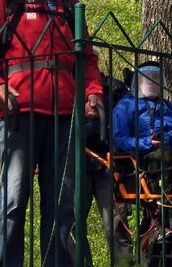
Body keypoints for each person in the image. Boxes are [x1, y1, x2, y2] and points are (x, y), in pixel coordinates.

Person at [0, 0, 103, 267]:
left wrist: (92, 93)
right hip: (19, 113)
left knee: (62, 204)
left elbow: (86, 57)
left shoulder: (70, 1)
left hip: (63, 116)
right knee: (13, 201)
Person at [112, 60, 172, 191]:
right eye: (148, 79)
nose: (152, 82)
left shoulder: (170, 107)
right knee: (161, 156)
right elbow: (119, 139)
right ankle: (162, 208)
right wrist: (147, 142)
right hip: (146, 158)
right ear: (139, 82)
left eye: (156, 78)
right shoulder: (125, 106)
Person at [76, 70, 133, 266]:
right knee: (71, 223)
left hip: (108, 165)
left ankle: (124, 264)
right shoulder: (65, 86)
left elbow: (128, 119)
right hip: (76, 165)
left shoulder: (115, 88)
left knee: (116, 224)